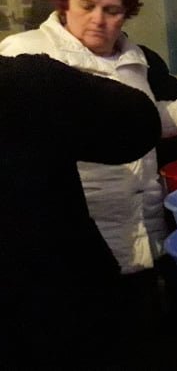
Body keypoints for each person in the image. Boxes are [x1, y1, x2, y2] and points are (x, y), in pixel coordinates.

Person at [0, 0, 177, 364]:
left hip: (143, 222)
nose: (99, 20)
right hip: (80, 237)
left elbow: (138, 117)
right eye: (87, 6)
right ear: (65, 3)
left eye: (112, 10)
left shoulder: (133, 58)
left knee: (145, 339)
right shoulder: (26, 58)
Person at [0, 53, 160, 365]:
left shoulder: (138, 58)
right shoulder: (25, 79)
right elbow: (138, 124)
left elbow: (145, 118)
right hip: (59, 307)